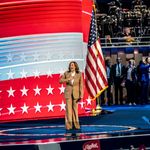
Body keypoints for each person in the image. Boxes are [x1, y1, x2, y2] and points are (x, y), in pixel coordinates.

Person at [59, 61, 83, 130]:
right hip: (68, 94)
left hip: (76, 94)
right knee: (68, 110)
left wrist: (81, 95)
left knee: (75, 110)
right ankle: (69, 126)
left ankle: (76, 125)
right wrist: (67, 79)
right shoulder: (66, 73)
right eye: (70, 65)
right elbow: (60, 81)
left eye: (72, 65)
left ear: (75, 66)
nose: (71, 66)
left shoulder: (79, 74)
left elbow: (81, 85)